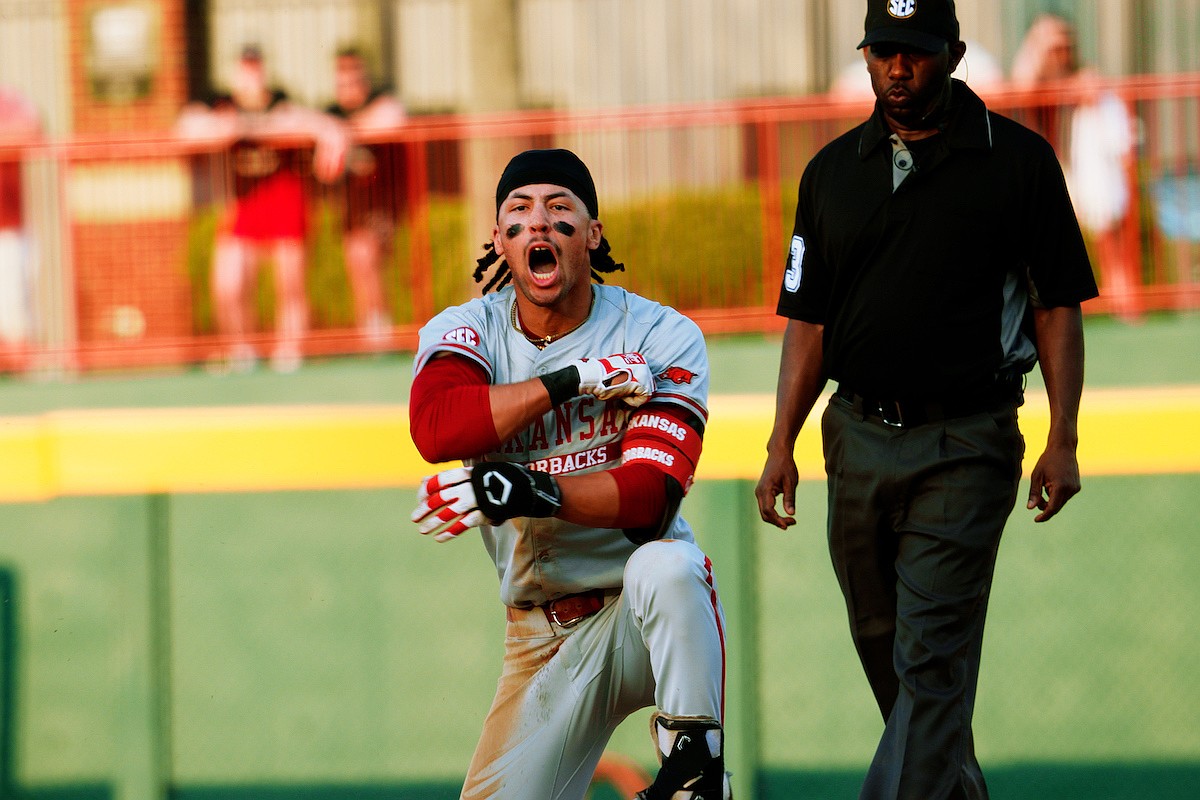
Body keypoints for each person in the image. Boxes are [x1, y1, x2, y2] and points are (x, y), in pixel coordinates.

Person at [755, 2, 1098, 799]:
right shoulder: (832, 171)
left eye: (914, 52)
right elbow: (805, 319)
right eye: (883, 52)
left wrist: (1064, 435)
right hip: (857, 437)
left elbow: (1057, 306)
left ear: (953, 53)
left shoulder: (1017, 161)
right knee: (898, 661)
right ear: (867, 55)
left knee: (931, 659)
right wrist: (783, 442)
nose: (897, 69)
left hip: (968, 440)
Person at [408, 148, 730, 800]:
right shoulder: (471, 328)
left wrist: (534, 488)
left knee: (667, 565)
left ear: (593, 233)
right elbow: (437, 427)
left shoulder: (659, 333)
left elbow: (648, 499)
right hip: (539, 635)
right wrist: (570, 381)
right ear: (498, 239)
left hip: (643, 623)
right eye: (519, 214)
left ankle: (696, 770)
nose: (539, 225)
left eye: (560, 211)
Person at [177, 44, 347, 373]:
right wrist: (228, 128)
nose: (251, 75)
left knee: (290, 282)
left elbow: (321, 125)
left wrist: (253, 127)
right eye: (245, 68)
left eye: (256, 67)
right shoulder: (218, 104)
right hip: (244, 205)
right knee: (229, 283)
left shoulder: (282, 102)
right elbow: (186, 129)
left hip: (283, 199)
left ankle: (290, 350)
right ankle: (243, 350)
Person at [1011, 13, 1140, 321]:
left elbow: (1093, 89)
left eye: (1064, 43)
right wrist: (1038, 46)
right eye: (1053, 45)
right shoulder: (1030, 80)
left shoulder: (1082, 77)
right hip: (1045, 172)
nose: (1060, 51)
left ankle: (1125, 303)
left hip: (1078, 170)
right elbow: (1023, 86)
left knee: (1110, 236)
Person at [324, 46, 407, 349]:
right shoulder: (331, 112)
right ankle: (368, 333)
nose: (349, 86)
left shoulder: (382, 102)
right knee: (356, 262)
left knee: (367, 256)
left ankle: (380, 331)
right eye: (343, 79)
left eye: (355, 77)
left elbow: (393, 115)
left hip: (383, 203)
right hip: (352, 206)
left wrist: (345, 132)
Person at [0, 86, 40, 372]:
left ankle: (22, 389)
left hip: (7, 230)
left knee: (13, 316)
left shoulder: (8, 100)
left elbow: (31, 129)